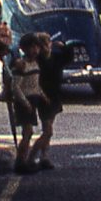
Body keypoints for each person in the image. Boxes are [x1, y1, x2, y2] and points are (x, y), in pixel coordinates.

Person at [10, 33, 49, 175]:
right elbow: (15, 87)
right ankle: (20, 162)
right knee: (27, 132)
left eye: (36, 47)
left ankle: (23, 160)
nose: (35, 50)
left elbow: (35, 84)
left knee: (29, 132)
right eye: (32, 47)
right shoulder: (22, 65)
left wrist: (42, 95)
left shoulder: (35, 63)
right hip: (24, 102)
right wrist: (25, 102)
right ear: (24, 49)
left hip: (33, 99)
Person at [28, 31, 66, 172]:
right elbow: (36, 82)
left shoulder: (55, 57)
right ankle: (31, 157)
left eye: (47, 43)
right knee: (48, 131)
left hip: (55, 97)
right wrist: (42, 95)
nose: (46, 47)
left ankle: (44, 156)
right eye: (43, 45)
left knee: (48, 130)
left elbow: (68, 58)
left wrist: (63, 46)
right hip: (44, 98)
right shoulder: (38, 61)